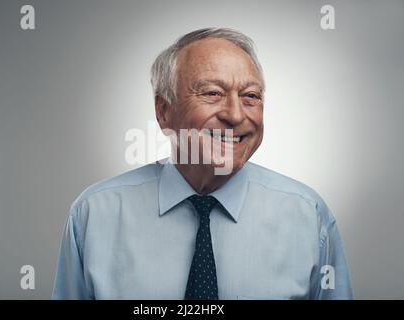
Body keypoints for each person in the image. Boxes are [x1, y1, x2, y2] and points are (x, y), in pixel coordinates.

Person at [52, 27, 353, 300]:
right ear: (163, 110)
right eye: (212, 93)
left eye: (250, 96)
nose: (235, 115)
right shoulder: (94, 215)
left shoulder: (309, 216)